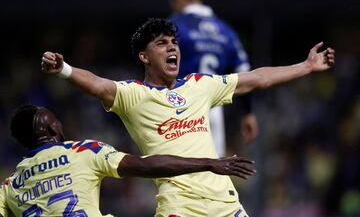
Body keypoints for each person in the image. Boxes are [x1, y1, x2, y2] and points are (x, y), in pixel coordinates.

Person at [41, 18, 335, 216]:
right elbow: (96, 84)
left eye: (174, 42)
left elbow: (256, 78)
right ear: (144, 57)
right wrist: (64, 69)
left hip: (225, 203)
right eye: (161, 43)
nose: (172, 47)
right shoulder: (132, 94)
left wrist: (306, 66)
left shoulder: (200, 85)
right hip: (180, 205)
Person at [0, 104, 256, 217]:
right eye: (56, 119)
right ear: (52, 129)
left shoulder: (10, 186)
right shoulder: (82, 150)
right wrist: (209, 163)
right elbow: (148, 165)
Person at [165, 0, 258, 156]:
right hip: (214, 108)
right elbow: (244, 71)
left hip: (180, 106)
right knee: (213, 171)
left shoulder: (173, 25)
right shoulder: (226, 31)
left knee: (179, 174)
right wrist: (248, 112)